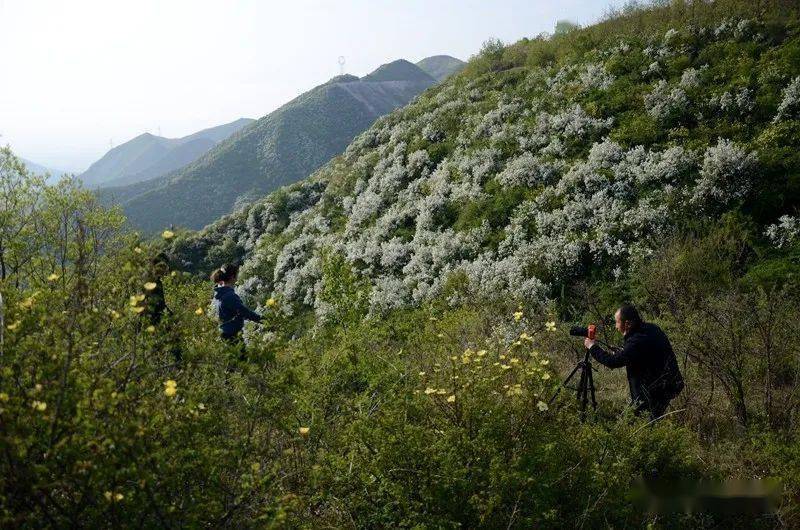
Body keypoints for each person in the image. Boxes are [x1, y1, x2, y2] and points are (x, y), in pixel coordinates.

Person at [584, 304, 684, 420]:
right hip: (666, 384)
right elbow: (646, 353)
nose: (616, 326)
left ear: (627, 324)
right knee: (644, 419)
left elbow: (612, 362)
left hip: (655, 390)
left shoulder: (637, 341)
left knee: (642, 422)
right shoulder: (651, 328)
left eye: (617, 322)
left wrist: (592, 346)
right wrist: (624, 351)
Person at [210, 263, 262, 354]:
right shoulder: (229, 296)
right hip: (232, 336)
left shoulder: (220, 293)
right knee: (241, 364)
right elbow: (244, 312)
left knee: (233, 364)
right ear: (232, 277)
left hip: (225, 333)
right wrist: (263, 320)